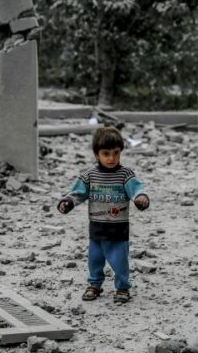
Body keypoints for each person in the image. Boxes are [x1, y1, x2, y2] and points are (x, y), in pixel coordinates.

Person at [57, 126, 150, 303]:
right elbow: (77, 193)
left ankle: (122, 287)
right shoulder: (90, 175)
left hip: (118, 229)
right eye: (106, 153)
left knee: (120, 261)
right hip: (98, 228)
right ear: (96, 154)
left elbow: (137, 190)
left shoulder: (125, 175)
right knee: (94, 260)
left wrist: (141, 198)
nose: (111, 158)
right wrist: (67, 202)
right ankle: (94, 284)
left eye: (116, 153)